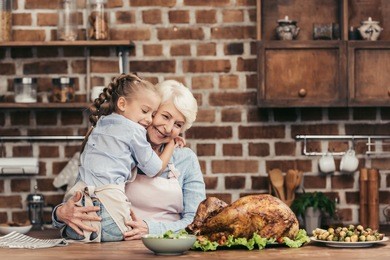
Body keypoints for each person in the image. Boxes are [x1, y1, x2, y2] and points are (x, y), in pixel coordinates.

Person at [52, 79, 206, 240]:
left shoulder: (185, 159)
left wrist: (151, 228)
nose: (168, 128)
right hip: (117, 247)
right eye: (164, 116)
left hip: (168, 247)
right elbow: (83, 192)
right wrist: (60, 214)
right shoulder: (114, 148)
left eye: (178, 125)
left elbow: (197, 222)